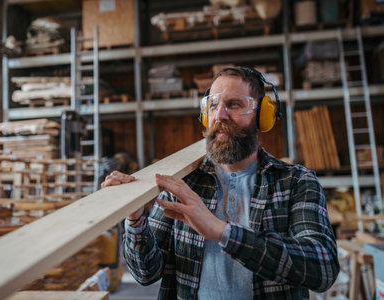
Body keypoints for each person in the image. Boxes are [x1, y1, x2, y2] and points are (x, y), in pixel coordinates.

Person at [101, 67, 339, 300]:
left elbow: (323, 268)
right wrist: (135, 219)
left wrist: (222, 232)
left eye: (234, 104)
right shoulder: (184, 183)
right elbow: (145, 273)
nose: (220, 115)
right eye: (213, 105)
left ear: (261, 116)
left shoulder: (295, 182)